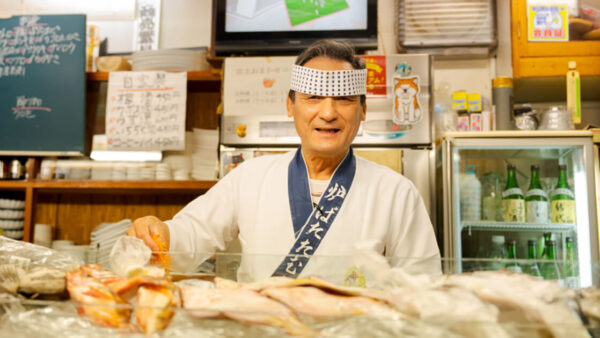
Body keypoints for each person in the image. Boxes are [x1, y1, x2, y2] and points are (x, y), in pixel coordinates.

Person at [127, 40, 441, 283]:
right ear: (290, 106)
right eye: (313, 98)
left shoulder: (397, 193)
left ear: (363, 111)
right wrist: (160, 234)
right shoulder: (249, 178)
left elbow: (423, 288)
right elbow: (192, 232)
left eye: (344, 99)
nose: (328, 112)